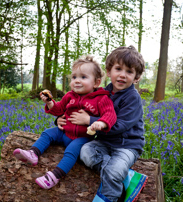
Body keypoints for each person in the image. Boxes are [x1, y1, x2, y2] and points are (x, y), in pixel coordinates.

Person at [57, 45, 147, 202]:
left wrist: (89, 121)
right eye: (118, 69)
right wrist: (59, 119)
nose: (122, 75)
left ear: (136, 78)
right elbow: (79, 107)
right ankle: (126, 177)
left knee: (114, 169)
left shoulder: (132, 98)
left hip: (127, 145)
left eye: (129, 72)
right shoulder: (102, 93)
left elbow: (119, 126)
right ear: (109, 71)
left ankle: (106, 198)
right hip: (104, 142)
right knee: (85, 152)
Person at [13, 55, 117, 190]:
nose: (77, 81)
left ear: (96, 83)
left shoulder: (101, 99)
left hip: (82, 137)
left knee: (71, 151)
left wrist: (100, 123)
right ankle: (33, 153)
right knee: (48, 133)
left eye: (83, 77)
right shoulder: (69, 95)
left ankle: (54, 176)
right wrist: (50, 103)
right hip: (63, 132)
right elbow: (58, 109)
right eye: (74, 77)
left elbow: (110, 114)